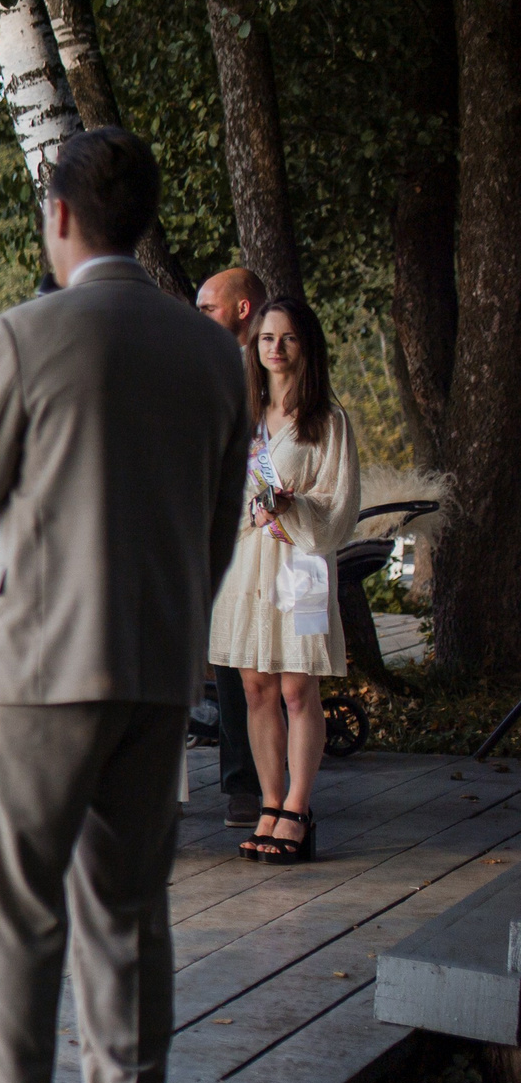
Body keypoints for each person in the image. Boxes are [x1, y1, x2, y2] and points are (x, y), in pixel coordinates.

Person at [0, 126, 249, 1083]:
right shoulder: (213, 354)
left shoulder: (26, 334)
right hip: (159, 664)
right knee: (129, 912)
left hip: (39, 667)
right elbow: (218, 528)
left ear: (58, 215)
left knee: (19, 916)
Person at [209, 295, 361, 864]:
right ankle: (269, 802)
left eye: (289, 338)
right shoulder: (243, 417)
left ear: (306, 346)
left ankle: (298, 807)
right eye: (268, 338)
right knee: (256, 688)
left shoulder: (326, 421)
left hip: (300, 562)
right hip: (247, 563)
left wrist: (293, 512)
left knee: (298, 690)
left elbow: (339, 500)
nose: (276, 348)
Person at [196, 266, 272, 829]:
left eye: (209, 308)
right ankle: (240, 782)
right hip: (218, 528)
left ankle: (273, 780)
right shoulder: (201, 366)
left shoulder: (272, 364)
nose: (200, 320)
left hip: (272, 531)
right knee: (227, 658)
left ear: (241, 310)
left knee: (266, 662)